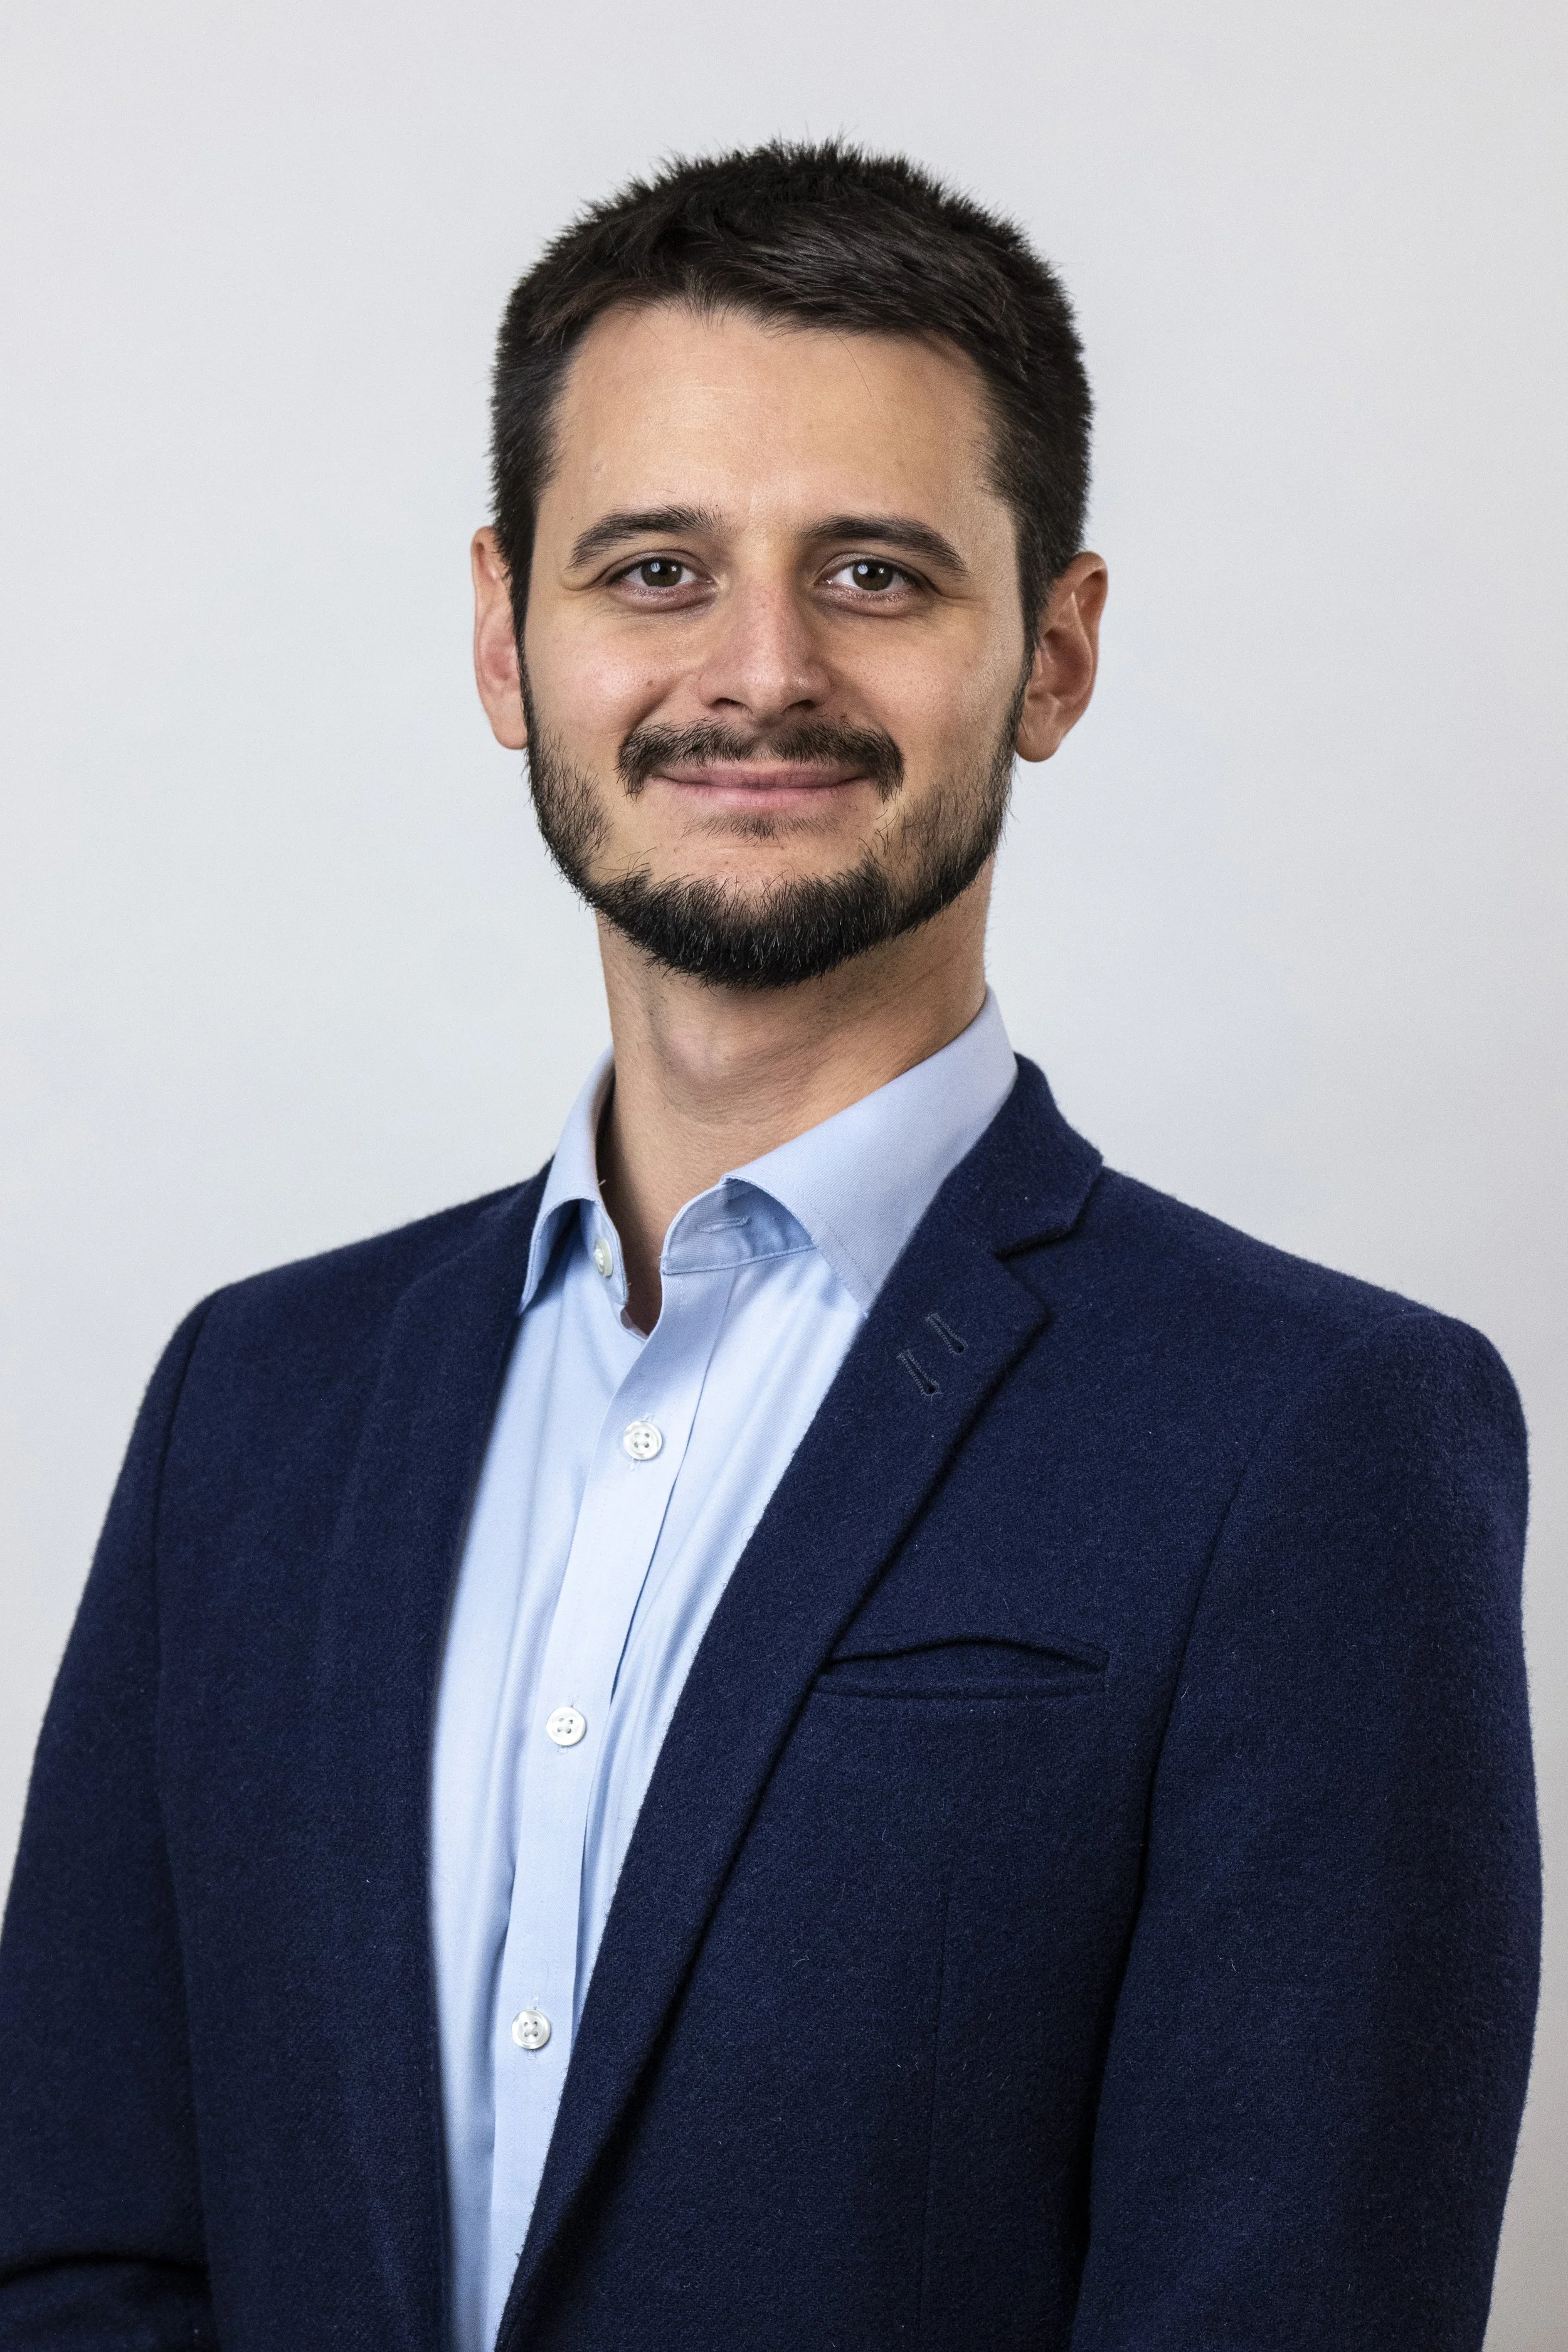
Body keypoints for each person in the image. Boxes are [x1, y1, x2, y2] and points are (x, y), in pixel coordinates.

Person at [0, 141, 1539, 2352]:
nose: (758, 669)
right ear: (500, 633)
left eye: (878, 574)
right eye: (650, 565)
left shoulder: (1316, 1442)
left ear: (1057, 651)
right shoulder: (255, 1400)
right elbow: (77, 2256)